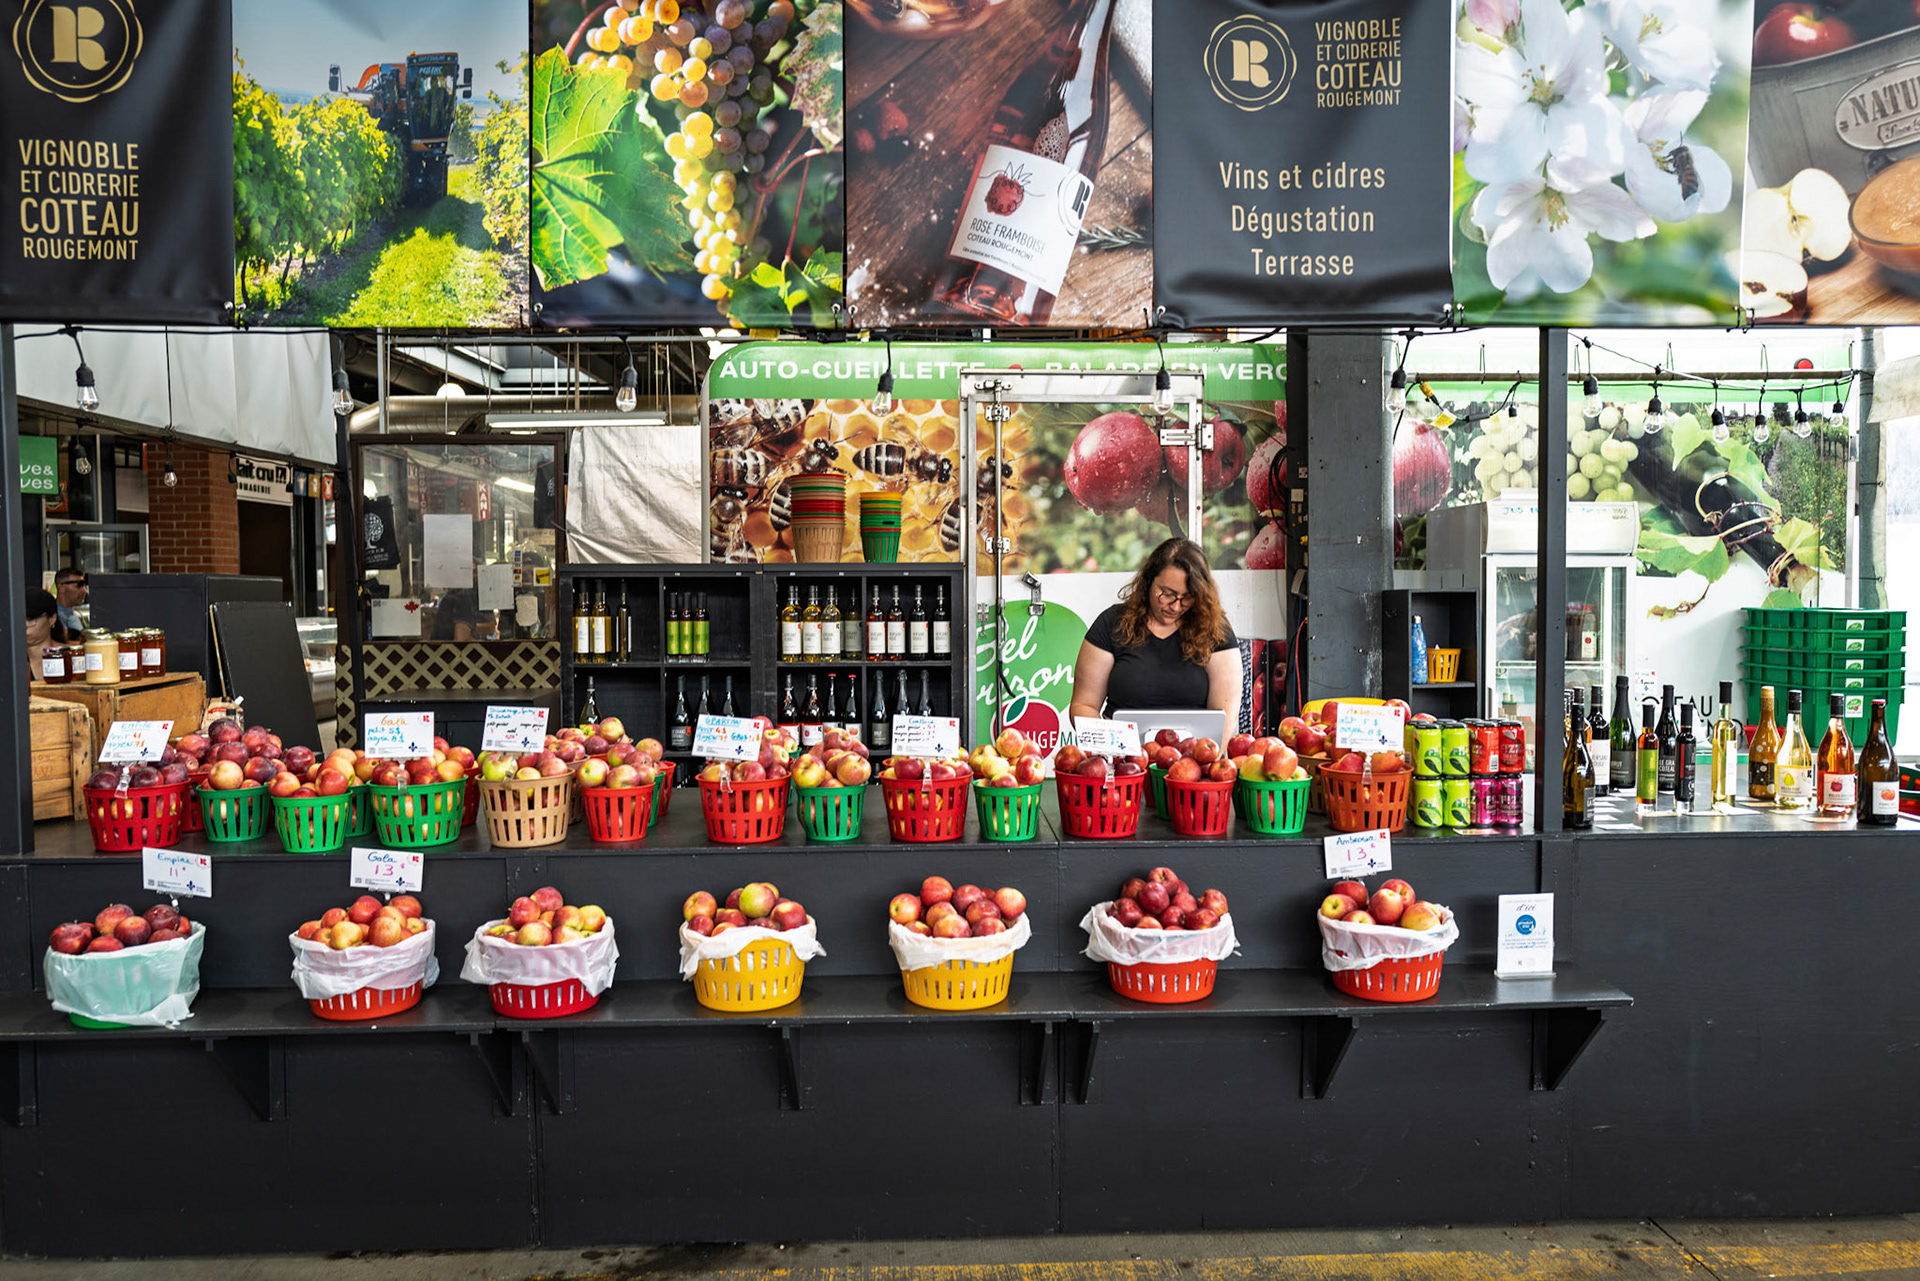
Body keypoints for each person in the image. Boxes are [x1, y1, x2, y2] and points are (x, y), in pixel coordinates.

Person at [1069, 538, 1242, 731]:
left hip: (1195, 756)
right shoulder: (1112, 622)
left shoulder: (1215, 629)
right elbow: (1083, 706)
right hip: (1122, 757)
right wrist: (1111, 744)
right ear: (1148, 582)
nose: (1176, 606)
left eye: (1187, 597)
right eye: (1167, 593)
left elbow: (1225, 718)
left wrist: (1208, 756)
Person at [24, 589, 59, 681]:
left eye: (31, 619)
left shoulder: (71, 657)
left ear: (52, 619)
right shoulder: (8, 662)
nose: (24, 626)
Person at [52, 567, 86, 641]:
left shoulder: (73, 615)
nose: (84, 591)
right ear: (61, 588)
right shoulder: (52, 616)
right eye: (79, 585)